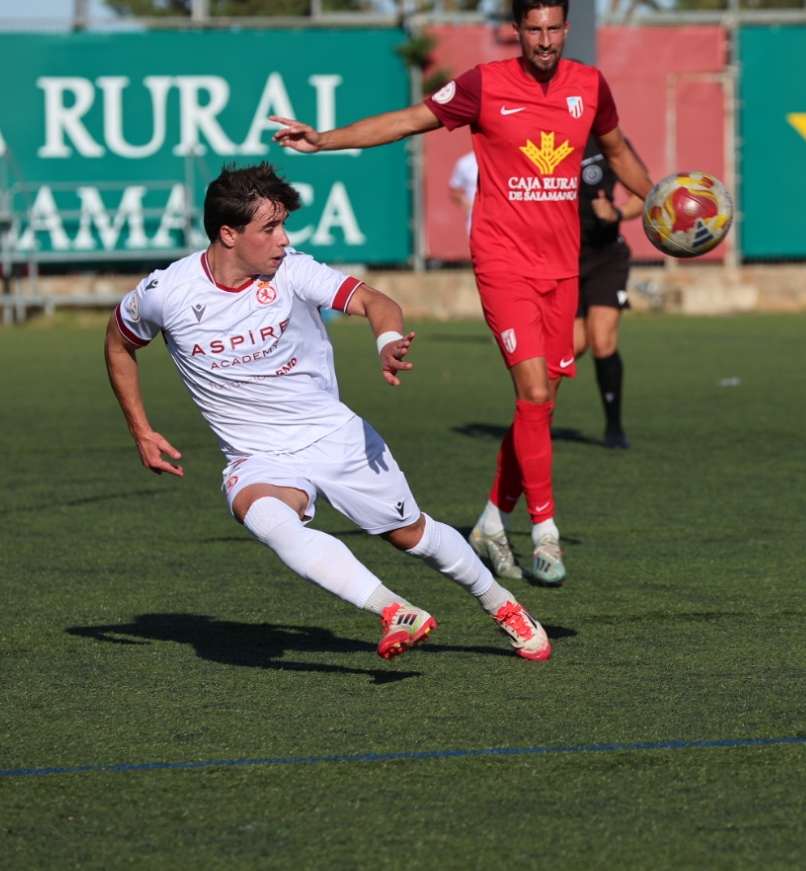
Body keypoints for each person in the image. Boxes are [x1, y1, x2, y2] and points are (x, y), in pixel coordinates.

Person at [271, 0, 654, 588]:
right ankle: (545, 532)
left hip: (564, 268)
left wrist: (657, 201)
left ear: (567, 28)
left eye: (554, 29)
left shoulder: (589, 85)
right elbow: (406, 121)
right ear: (517, 31)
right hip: (503, 263)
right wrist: (325, 140)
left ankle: (492, 521)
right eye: (534, 30)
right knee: (534, 392)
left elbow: (617, 148)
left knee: (539, 405)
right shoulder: (484, 85)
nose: (545, 41)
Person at [103, 162, 551, 662]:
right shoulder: (165, 293)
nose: (283, 239)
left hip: (335, 439)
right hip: (258, 456)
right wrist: (140, 430)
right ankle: (393, 609)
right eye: (269, 228)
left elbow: (375, 301)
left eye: (283, 225)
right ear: (228, 234)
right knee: (267, 518)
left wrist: (386, 342)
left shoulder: (294, 270)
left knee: (412, 535)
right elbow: (119, 343)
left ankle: (501, 604)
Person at [575, 136, 644, 449]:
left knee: (602, 341)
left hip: (606, 258)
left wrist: (616, 213)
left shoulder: (607, 140)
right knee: (573, 346)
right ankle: (535, 425)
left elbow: (643, 195)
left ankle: (614, 428)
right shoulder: (544, 139)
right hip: (562, 259)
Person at [448, 150, 478, 236]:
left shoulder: (499, 159)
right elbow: (454, 190)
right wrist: (464, 201)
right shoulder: (465, 163)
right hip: (474, 215)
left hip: (499, 214)